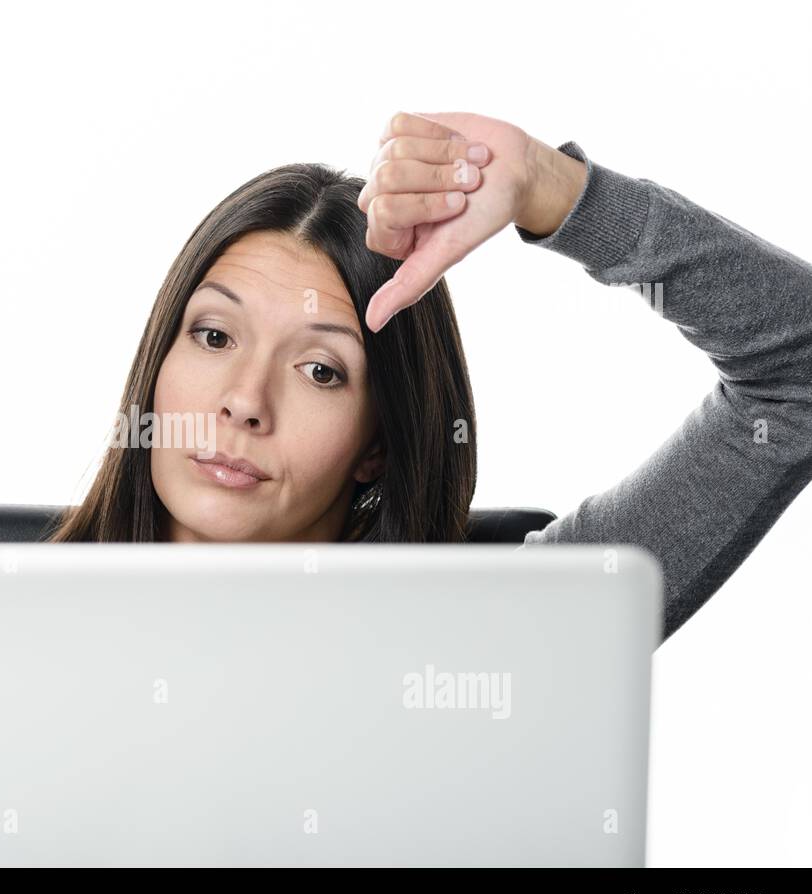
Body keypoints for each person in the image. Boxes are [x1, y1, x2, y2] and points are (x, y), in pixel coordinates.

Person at [47, 110, 812, 643]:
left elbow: (796, 373)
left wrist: (558, 192)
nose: (244, 402)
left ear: (376, 442)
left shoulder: (490, 641)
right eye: (214, 335)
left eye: (320, 369)